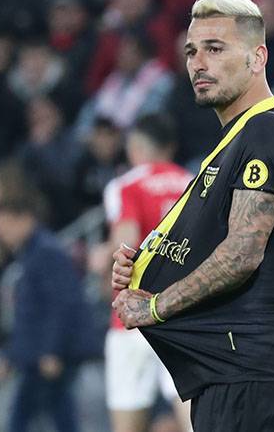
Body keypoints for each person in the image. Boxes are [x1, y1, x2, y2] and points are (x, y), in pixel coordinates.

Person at [111, 0, 274, 432]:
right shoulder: (245, 135)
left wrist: (156, 306)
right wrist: (144, 266)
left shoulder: (267, 130)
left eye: (215, 48)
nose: (198, 63)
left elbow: (242, 252)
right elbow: (215, 243)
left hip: (251, 367)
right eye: (191, 51)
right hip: (239, 366)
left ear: (257, 57)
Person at [103, 115, 192, 432]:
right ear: (171, 146)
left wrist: (101, 258)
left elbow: (125, 244)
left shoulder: (125, 185)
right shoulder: (193, 183)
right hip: (183, 314)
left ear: (135, 147)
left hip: (133, 316)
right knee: (194, 418)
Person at [0, 198, 91, 432]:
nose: (2, 236)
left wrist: (51, 350)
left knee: (29, 418)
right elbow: (28, 313)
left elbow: (60, 305)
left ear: (23, 219)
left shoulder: (47, 251)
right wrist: (10, 355)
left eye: (5, 228)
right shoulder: (31, 252)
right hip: (38, 354)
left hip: (48, 356)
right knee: (54, 416)